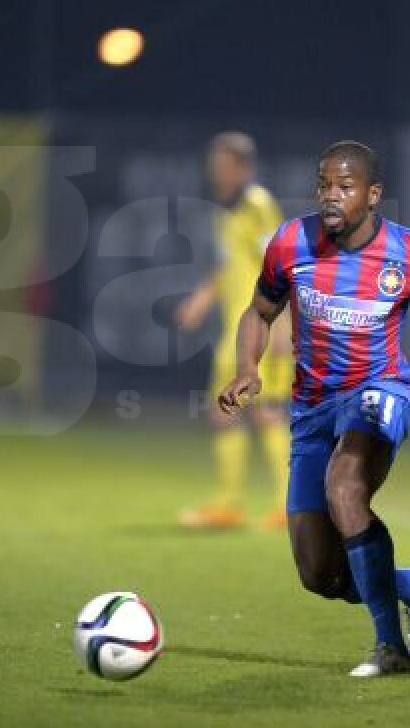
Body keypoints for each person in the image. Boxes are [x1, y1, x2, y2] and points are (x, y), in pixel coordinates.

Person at [219, 141, 410, 677]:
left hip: (379, 392)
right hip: (312, 408)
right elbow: (259, 311)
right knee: (318, 573)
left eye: (344, 187)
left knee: (346, 484)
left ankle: (391, 650)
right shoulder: (291, 242)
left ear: (373, 194)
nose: (330, 197)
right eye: (324, 185)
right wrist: (247, 368)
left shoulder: (409, 254)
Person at [175, 132, 294, 530]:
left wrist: (282, 324)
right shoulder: (225, 211)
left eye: (225, 166)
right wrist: (201, 299)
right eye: (214, 166)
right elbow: (229, 267)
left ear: (244, 168)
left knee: (267, 412)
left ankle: (286, 506)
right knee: (225, 412)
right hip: (234, 331)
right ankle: (229, 504)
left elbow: (280, 265)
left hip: (261, 325)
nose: (217, 173)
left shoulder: (258, 205)